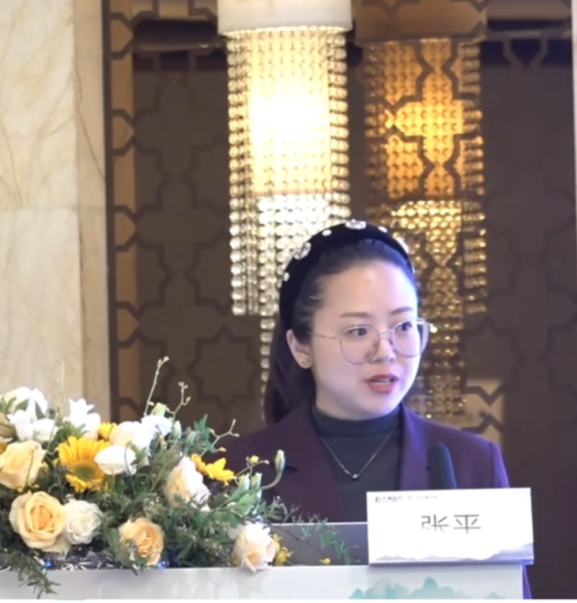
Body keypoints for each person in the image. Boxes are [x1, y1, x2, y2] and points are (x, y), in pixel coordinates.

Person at [219, 220, 531, 597]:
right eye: (358, 331)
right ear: (300, 347)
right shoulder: (237, 472)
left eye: (404, 326)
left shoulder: (473, 464)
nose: (385, 351)